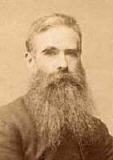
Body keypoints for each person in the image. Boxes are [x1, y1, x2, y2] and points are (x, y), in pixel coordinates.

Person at [0, 13, 113, 160]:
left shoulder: (96, 130)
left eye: (71, 54)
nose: (63, 64)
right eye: (50, 53)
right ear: (30, 61)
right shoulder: (7, 124)